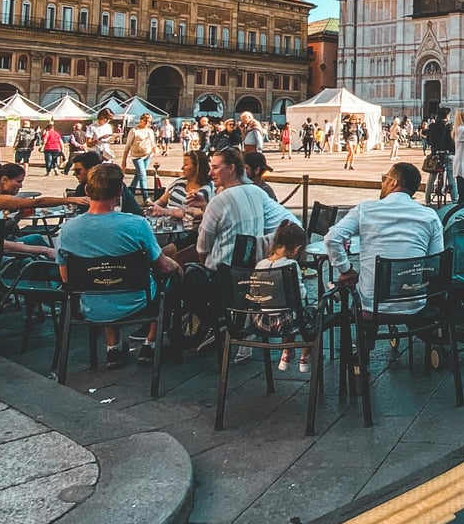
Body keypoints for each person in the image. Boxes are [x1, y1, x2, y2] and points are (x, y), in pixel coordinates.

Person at [56, 162, 179, 368]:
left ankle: (112, 347)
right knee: (172, 276)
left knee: (102, 279)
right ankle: (151, 341)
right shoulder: (136, 225)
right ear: (120, 191)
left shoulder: (68, 229)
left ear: (87, 190)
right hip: (138, 303)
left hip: (90, 307)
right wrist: (177, 265)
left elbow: (66, 277)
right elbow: (163, 267)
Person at [177, 146, 299, 336]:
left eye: (216, 167)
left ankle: (211, 321)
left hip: (222, 278)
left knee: (184, 275)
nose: (210, 173)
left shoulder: (220, 200)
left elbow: (202, 248)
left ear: (232, 168)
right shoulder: (256, 192)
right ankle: (215, 322)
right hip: (249, 274)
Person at [325, 161, 443, 318]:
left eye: (384, 179)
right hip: (415, 302)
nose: (383, 183)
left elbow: (332, 238)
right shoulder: (430, 216)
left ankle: (364, 340)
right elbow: (435, 262)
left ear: (393, 183)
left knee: (360, 286)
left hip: (372, 305)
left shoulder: (365, 209)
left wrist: (346, 270)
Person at [260, 219, 313, 374]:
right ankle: (304, 357)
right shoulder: (290, 266)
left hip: (262, 321)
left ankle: (286, 353)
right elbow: (301, 295)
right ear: (297, 249)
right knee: (312, 314)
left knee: (285, 310)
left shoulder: (260, 264)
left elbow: (254, 292)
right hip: (286, 323)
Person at [122, 113, 158, 202]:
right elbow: (127, 146)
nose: (146, 123)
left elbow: (153, 143)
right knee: (142, 175)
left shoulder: (150, 131)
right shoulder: (134, 131)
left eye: (149, 121)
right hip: (137, 156)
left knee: (138, 176)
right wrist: (124, 161)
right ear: (141, 120)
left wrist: (155, 149)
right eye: (145, 121)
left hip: (147, 155)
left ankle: (129, 194)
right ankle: (146, 197)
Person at [424, 108, 457, 203]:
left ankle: (427, 201)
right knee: (452, 177)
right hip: (448, 154)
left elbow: (429, 140)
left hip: (436, 155)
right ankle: (455, 200)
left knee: (432, 177)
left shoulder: (432, 126)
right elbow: (453, 142)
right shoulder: (450, 127)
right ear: (447, 116)